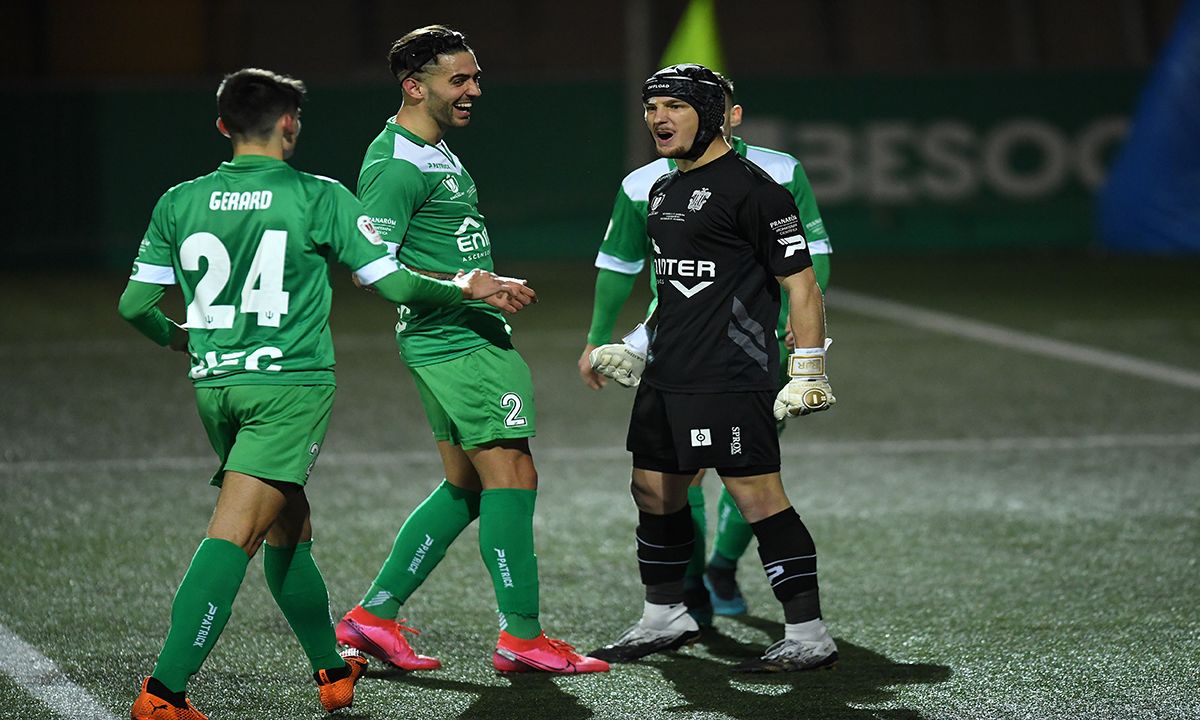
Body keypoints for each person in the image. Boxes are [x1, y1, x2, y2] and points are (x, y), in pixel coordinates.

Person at [119, 68, 531, 720]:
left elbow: (135, 304)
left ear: (224, 126)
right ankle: (165, 690)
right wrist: (466, 286)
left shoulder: (179, 201)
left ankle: (332, 669)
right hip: (287, 389)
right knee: (235, 534)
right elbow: (393, 285)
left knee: (290, 529)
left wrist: (179, 339)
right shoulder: (319, 197)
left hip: (216, 387)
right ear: (290, 124)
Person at [333, 25, 608, 675]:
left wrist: (477, 285)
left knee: (465, 487)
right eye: (459, 79)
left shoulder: (432, 148)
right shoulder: (397, 163)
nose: (474, 90)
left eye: (475, 77)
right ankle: (522, 637)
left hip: (457, 336)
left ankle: (373, 617)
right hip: (454, 341)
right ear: (414, 86)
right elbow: (366, 268)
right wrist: (469, 287)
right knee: (513, 475)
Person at [587, 64, 839, 672]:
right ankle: (664, 616)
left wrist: (807, 368)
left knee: (757, 496)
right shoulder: (663, 191)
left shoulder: (757, 190)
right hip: (668, 373)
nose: (657, 119)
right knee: (652, 489)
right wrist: (637, 344)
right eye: (650, 108)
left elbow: (801, 285)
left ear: (709, 112)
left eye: (673, 106)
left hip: (729, 372)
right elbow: (678, 290)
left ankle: (808, 634)